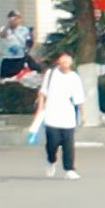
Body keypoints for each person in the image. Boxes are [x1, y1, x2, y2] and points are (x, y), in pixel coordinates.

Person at [30, 48, 84, 176]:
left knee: (68, 145)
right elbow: (43, 92)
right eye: (62, 57)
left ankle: (69, 169)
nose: (65, 60)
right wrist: (40, 107)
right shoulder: (51, 74)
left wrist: (83, 115)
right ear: (58, 60)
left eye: (68, 57)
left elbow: (79, 99)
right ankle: (51, 160)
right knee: (52, 143)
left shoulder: (74, 77)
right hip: (52, 115)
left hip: (68, 116)